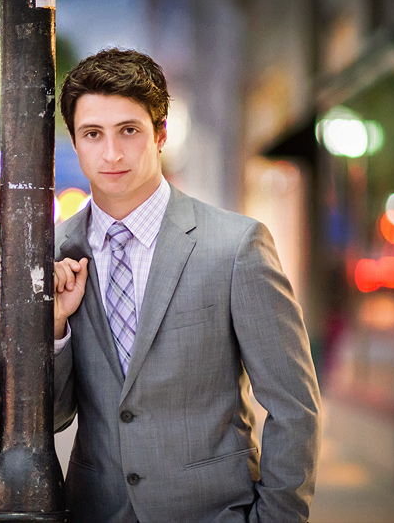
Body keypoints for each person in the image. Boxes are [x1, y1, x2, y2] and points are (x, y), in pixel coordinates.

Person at [52, 49, 322, 522]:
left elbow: (294, 407)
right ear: (75, 142)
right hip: (96, 510)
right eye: (93, 134)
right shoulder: (54, 253)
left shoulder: (235, 246)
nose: (111, 153)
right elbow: (50, 418)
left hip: (213, 512)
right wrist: (54, 326)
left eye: (129, 131)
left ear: (160, 135)